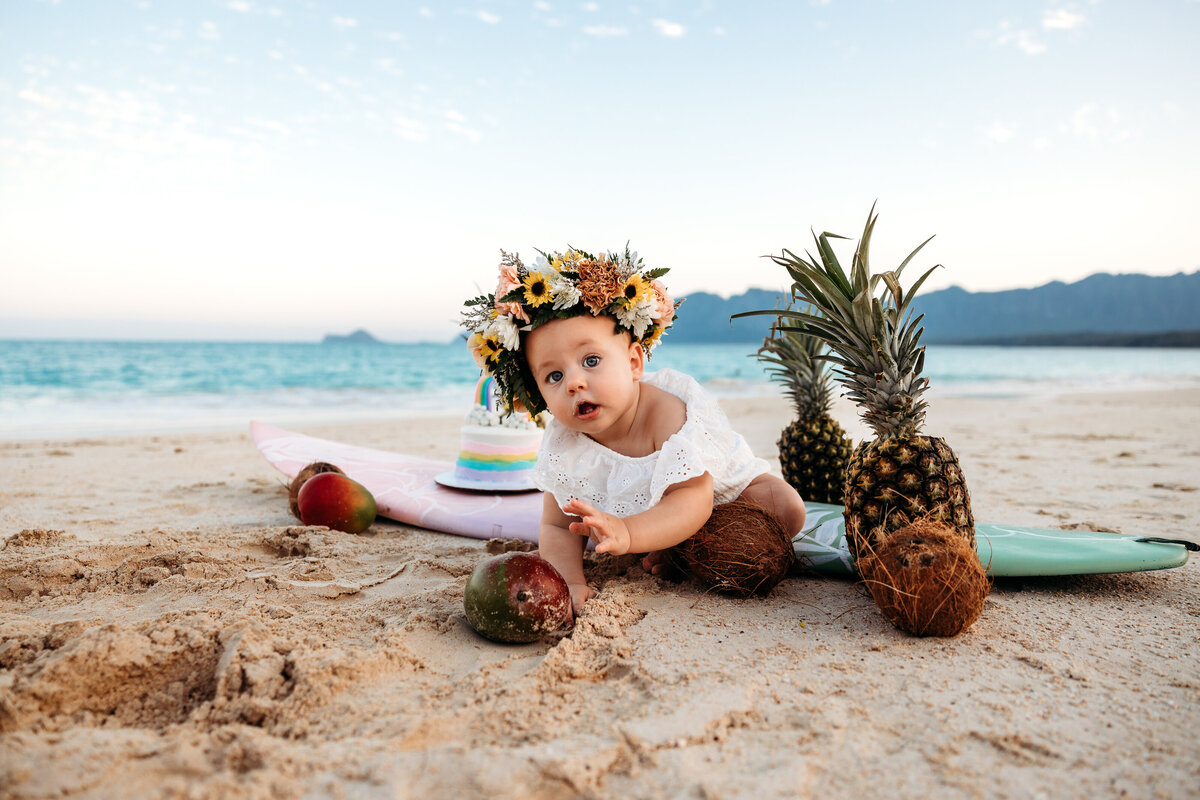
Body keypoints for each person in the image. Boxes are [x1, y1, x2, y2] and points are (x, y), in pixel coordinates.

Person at [460, 247, 806, 616]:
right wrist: (570, 582)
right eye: (554, 376)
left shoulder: (667, 415)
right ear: (538, 394)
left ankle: (678, 546)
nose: (574, 383)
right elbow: (558, 526)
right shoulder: (564, 444)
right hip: (651, 519)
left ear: (633, 362)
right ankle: (674, 549)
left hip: (727, 498)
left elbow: (693, 498)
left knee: (788, 509)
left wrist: (629, 534)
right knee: (647, 534)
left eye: (591, 361)